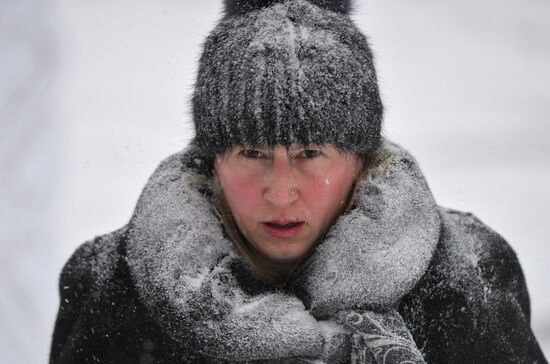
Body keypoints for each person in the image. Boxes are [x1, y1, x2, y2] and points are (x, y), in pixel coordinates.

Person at [49, 0, 547, 363]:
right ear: (212, 163)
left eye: (310, 153)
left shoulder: (470, 277)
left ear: (361, 160)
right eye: (251, 153)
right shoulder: (109, 289)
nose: (281, 191)